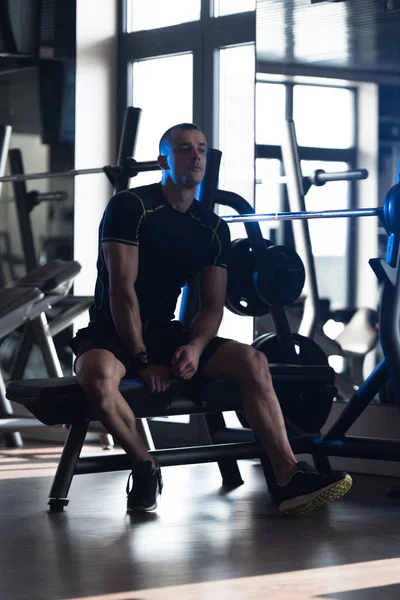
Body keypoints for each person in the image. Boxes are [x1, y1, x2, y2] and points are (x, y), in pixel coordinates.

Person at [69, 123, 352, 515]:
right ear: (164, 160)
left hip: (166, 331)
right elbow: (122, 290)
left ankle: (289, 477)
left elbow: (212, 306)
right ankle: (145, 463)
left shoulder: (213, 228)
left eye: (201, 148)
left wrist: (196, 347)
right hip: (112, 328)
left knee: (253, 361)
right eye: (185, 149)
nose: (196, 156)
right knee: (98, 376)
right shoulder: (131, 206)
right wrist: (142, 359)